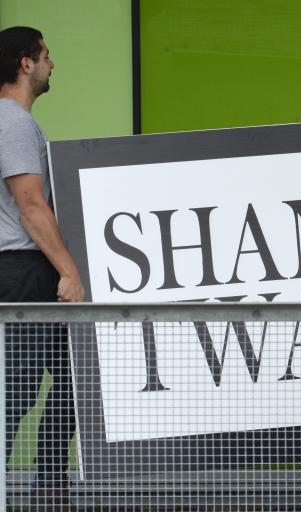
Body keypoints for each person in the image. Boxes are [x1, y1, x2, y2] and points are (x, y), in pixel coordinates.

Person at [0, 26, 85, 507]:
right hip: (24, 270)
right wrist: (69, 272)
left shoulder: (17, 122)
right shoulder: (12, 120)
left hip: (33, 270)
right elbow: (31, 203)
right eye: (47, 56)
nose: (54, 64)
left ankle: (51, 483)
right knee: (18, 387)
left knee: (73, 374)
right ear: (25, 63)